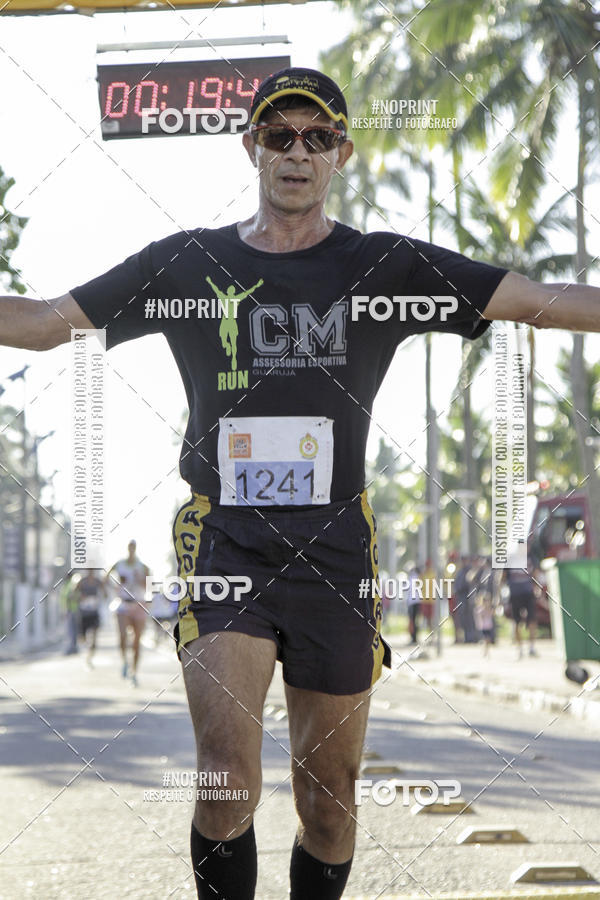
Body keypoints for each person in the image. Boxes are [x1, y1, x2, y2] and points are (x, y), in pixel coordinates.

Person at [2, 65, 600, 900]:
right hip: (226, 538)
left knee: (329, 802)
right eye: (280, 135)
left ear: (341, 155)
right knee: (224, 780)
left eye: (318, 137)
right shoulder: (186, 264)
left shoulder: (383, 266)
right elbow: (42, 323)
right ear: (251, 146)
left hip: (337, 545)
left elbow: (535, 300)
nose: (297, 151)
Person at [105, 540, 150, 686]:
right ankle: (125, 661)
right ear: (127, 548)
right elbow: (106, 578)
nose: (131, 549)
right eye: (130, 547)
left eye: (133, 547)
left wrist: (139, 579)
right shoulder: (119, 564)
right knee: (123, 636)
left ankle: (134, 672)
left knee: (137, 641)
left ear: (136, 549)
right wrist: (115, 586)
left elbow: (149, 587)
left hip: (139, 603)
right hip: (123, 603)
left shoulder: (143, 566)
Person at [504, 557, 539, 659]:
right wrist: (500, 594)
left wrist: (536, 587)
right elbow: (503, 576)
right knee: (516, 621)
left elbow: (535, 573)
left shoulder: (531, 558)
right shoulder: (510, 560)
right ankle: (519, 648)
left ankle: (531, 647)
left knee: (532, 620)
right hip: (515, 594)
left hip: (528, 593)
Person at [74, 568, 106, 666]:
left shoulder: (98, 581)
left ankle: (90, 657)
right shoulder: (81, 581)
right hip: (84, 613)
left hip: (94, 612)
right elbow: (74, 594)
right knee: (83, 638)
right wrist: (81, 597)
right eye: (89, 569)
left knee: (94, 637)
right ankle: (85, 653)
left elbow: (105, 594)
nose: (91, 571)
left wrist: (100, 597)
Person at [406, 564, 422, 644]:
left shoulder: (412, 578)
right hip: (417, 601)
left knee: (412, 620)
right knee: (415, 620)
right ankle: (414, 637)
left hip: (412, 602)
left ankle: (413, 637)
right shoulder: (419, 578)